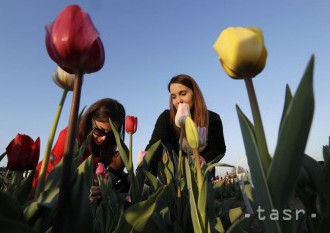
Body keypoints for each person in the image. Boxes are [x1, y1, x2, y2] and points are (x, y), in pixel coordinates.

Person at [33, 98, 130, 198]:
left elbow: (105, 169)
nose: (104, 138)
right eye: (99, 130)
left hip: (77, 195)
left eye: (111, 133)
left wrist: (106, 183)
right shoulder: (69, 137)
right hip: (44, 188)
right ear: (90, 120)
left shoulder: (109, 143)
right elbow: (56, 175)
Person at [146, 74, 226, 178]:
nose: (178, 100)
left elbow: (219, 149)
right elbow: (154, 147)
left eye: (183, 94)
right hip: (176, 177)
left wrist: (203, 158)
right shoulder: (166, 118)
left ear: (195, 94)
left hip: (202, 173)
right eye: (173, 96)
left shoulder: (213, 118)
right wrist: (145, 180)